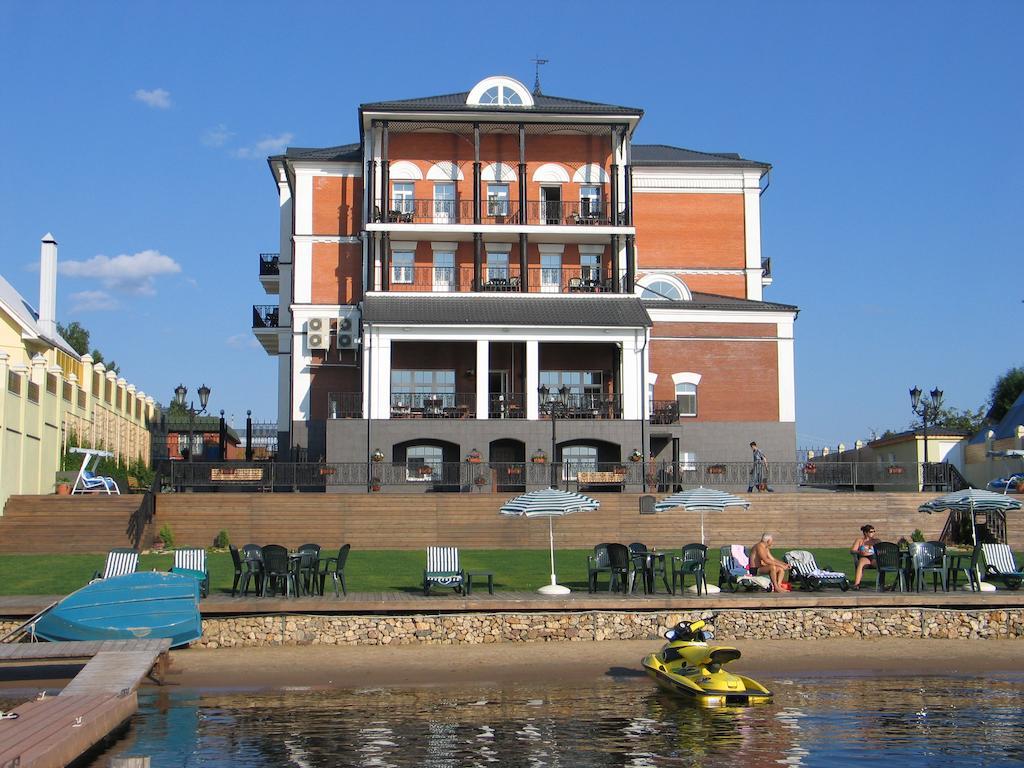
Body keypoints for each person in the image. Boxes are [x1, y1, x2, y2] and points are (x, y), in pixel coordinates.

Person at [850, 524, 879, 590]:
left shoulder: (876, 541)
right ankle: (856, 584)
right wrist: (859, 552)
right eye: (871, 532)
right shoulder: (860, 540)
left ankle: (881, 584)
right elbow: (852, 550)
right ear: (866, 533)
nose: (873, 533)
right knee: (861, 563)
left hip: (874, 557)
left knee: (879, 563)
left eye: (874, 531)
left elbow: (882, 550)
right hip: (865, 557)